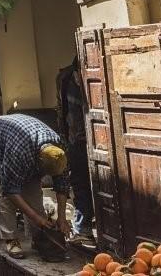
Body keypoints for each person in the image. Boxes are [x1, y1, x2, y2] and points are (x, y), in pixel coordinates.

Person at [0, 113, 70, 259]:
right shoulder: (19, 152)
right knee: (4, 197)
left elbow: (62, 184)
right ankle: (11, 239)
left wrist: (62, 218)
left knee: (34, 196)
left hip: (24, 141)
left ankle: (38, 238)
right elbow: (10, 190)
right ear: (39, 162)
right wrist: (36, 218)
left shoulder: (59, 150)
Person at [57, 58, 95, 247]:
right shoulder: (69, 82)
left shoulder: (74, 82)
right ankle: (83, 228)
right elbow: (70, 117)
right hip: (78, 142)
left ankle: (85, 227)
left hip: (89, 141)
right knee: (81, 185)